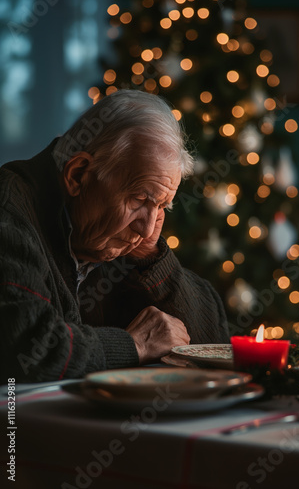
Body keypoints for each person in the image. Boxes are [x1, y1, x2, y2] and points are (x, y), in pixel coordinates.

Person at [0, 89, 229, 383]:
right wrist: (136, 344)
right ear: (78, 175)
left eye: (161, 205)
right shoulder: (9, 210)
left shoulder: (113, 236)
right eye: (139, 199)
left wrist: (152, 259)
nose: (148, 228)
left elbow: (216, 342)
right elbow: (26, 348)